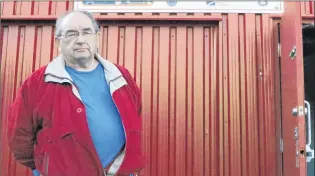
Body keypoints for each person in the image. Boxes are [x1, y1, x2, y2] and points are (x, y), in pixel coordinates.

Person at [7, 10, 144, 176]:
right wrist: (46, 167)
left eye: (87, 32)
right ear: (59, 41)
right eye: (71, 34)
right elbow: (20, 138)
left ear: (97, 37)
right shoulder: (37, 83)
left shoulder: (121, 77)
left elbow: (134, 118)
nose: (80, 40)